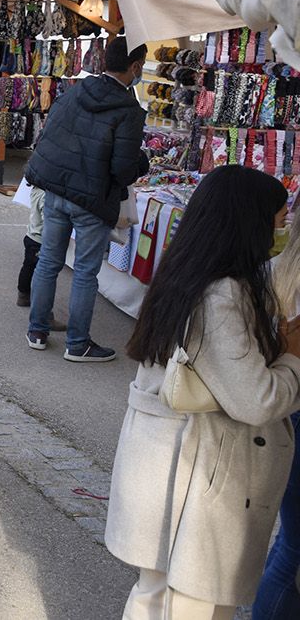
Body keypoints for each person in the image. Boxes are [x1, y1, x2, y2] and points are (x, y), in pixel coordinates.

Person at [104, 166, 300, 618]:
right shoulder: (221, 295)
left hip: (167, 456)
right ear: (247, 222)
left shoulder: (189, 271)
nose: (282, 231)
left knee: (156, 595)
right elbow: (258, 399)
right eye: (277, 219)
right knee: (193, 602)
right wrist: (291, 356)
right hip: (193, 468)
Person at [26, 35, 149, 363]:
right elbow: (124, 169)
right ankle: (77, 343)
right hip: (91, 199)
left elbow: (55, 133)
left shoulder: (77, 90)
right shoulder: (129, 111)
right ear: (135, 66)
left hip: (57, 188)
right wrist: (143, 162)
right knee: (84, 271)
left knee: (49, 260)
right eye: (141, 66)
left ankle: (37, 329)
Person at [255, 209, 300, 620]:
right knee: (295, 546)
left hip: (287, 412)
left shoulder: (275, 271)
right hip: (292, 407)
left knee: (291, 540)